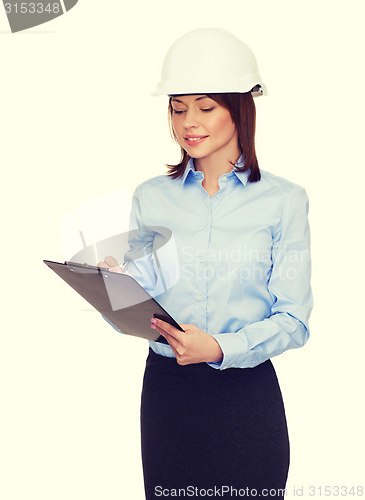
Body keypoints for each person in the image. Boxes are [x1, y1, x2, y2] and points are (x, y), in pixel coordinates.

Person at [99, 28, 313, 499]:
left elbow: (294, 320)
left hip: (246, 399)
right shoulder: (150, 197)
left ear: (240, 108)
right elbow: (142, 313)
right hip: (167, 396)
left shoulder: (283, 201)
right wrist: (116, 291)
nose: (187, 123)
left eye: (205, 106)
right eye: (177, 108)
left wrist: (218, 347)